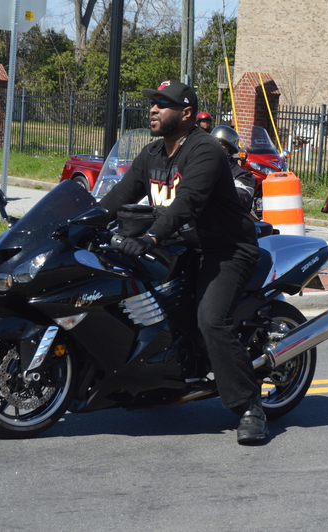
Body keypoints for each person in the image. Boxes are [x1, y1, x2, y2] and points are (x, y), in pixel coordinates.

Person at [99, 80, 267, 444]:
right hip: (181, 247)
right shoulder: (152, 153)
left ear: (186, 113)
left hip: (226, 249)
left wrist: (150, 237)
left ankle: (249, 406)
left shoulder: (205, 151)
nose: (153, 109)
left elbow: (187, 203)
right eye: (153, 103)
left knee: (211, 320)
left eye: (162, 104)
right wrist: (76, 222)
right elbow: (116, 196)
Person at [210, 125, 257, 210]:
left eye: (220, 148)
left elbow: (242, 197)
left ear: (229, 151)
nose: (214, 151)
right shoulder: (201, 168)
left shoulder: (243, 176)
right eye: (211, 147)